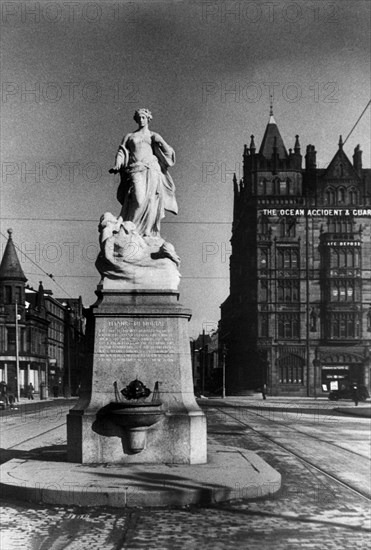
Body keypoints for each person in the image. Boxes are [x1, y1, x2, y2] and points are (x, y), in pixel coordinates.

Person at [110, 108, 178, 238]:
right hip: (136, 169)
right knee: (139, 199)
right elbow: (122, 151)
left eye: (143, 117)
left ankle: (147, 231)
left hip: (152, 169)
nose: (141, 120)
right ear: (136, 119)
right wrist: (117, 164)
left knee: (151, 200)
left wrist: (161, 141)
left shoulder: (153, 135)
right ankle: (130, 229)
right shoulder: (130, 136)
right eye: (139, 117)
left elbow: (169, 154)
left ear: (148, 119)